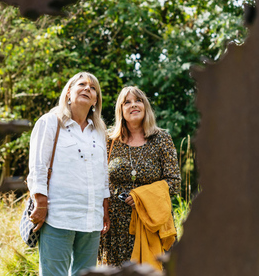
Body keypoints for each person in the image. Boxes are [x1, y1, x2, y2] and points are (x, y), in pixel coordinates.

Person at [27, 72, 110, 276]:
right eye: (81, 84)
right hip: (58, 215)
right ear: (68, 93)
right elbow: (38, 167)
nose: (87, 89)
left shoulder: (99, 131)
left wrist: (104, 210)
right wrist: (41, 204)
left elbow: (103, 175)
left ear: (95, 100)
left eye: (92, 88)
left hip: (92, 218)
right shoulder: (50, 122)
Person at [99, 86, 181, 267]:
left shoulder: (162, 139)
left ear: (145, 106)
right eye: (126, 102)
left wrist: (141, 197)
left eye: (138, 100)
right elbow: (100, 180)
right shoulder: (109, 141)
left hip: (152, 223)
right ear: (120, 110)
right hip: (116, 227)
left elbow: (174, 183)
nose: (133, 105)